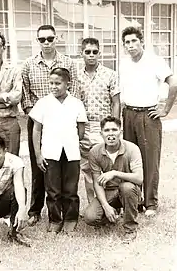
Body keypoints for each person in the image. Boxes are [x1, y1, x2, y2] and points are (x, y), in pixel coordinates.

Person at [21, 25, 80, 225]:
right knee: (41, 168)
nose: (46, 42)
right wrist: (37, 114)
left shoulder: (68, 63)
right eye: (42, 39)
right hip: (40, 117)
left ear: (56, 39)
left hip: (65, 120)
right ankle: (36, 211)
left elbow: (76, 89)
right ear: (37, 41)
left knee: (65, 168)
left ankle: (68, 213)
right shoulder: (28, 64)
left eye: (50, 38)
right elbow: (25, 93)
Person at [120, 26, 177, 217]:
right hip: (128, 114)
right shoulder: (124, 64)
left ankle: (151, 203)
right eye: (127, 42)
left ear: (142, 41)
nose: (131, 45)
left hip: (148, 115)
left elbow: (174, 83)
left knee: (149, 160)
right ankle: (135, 200)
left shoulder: (154, 61)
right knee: (129, 159)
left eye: (134, 41)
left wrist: (165, 109)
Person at [29, 68, 87, 233]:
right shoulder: (43, 103)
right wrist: (38, 155)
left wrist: (70, 140)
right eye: (51, 83)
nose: (53, 86)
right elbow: (36, 130)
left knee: (70, 189)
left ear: (67, 83)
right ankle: (55, 219)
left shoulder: (76, 103)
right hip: (50, 152)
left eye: (58, 83)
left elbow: (81, 129)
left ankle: (70, 218)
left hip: (71, 152)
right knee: (53, 189)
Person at [84, 116, 143, 243]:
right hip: (109, 191)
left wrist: (115, 173)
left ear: (120, 132)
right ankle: (112, 212)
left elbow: (139, 178)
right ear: (101, 134)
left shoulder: (132, 148)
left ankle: (130, 229)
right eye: (106, 130)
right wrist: (105, 206)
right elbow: (96, 182)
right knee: (90, 217)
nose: (111, 134)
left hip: (130, 191)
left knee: (127, 187)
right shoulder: (95, 152)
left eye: (114, 130)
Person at [78, 37, 120, 204]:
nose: (91, 55)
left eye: (95, 52)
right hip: (84, 126)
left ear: (99, 53)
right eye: (87, 52)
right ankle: (92, 205)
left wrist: (113, 127)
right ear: (81, 53)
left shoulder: (110, 74)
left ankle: (113, 203)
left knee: (107, 165)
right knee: (87, 168)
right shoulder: (76, 77)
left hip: (103, 126)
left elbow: (116, 102)